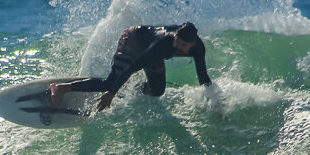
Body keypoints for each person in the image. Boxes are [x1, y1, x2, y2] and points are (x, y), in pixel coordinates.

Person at [49, 22, 212, 111]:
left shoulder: (198, 48)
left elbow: (203, 76)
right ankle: (61, 88)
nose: (179, 47)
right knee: (109, 83)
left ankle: (130, 88)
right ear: (175, 36)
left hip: (149, 48)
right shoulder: (163, 44)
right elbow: (135, 65)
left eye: (184, 45)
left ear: (192, 43)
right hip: (133, 40)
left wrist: (212, 98)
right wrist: (112, 92)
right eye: (178, 41)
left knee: (157, 91)